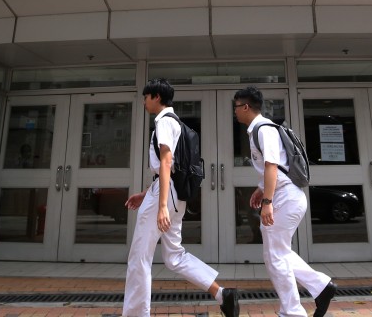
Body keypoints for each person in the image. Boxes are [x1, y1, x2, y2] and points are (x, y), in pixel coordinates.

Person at [123, 79, 239, 317]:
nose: (144, 102)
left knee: (139, 257)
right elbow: (171, 166)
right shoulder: (176, 122)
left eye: (146, 97)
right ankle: (222, 294)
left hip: (165, 197)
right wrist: (147, 194)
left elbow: (166, 162)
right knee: (174, 257)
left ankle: (135, 314)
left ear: (156, 97)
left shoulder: (164, 121)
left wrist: (161, 204)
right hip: (175, 195)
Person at [233, 86, 337, 317]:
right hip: (284, 195)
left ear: (246, 107)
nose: (235, 111)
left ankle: (293, 312)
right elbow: (276, 166)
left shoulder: (263, 129)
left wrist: (267, 201)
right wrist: (261, 190)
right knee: (278, 253)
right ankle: (321, 287)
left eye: (236, 107)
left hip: (285, 197)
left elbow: (271, 166)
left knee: (275, 257)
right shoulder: (258, 130)